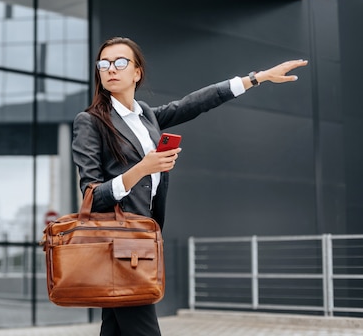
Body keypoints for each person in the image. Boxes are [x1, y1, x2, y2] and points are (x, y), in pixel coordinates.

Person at [71, 36, 308, 336]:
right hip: (120, 246)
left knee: (116, 329)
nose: (110, 69)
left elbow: (193, 103)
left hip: (143, 240)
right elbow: (91, 194)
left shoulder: (145, 116)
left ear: (137, 72)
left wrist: (256, 78)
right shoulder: (89, 122)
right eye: (104, 64)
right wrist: (141, 169)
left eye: (120, 62)